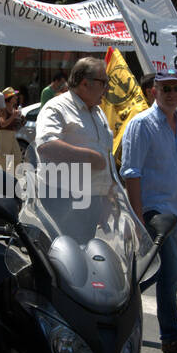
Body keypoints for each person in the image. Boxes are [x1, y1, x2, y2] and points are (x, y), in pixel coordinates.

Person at [120, 68, 177, 353]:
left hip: (176, 212)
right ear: (154, 91)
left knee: (153, 275)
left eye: (176, 89)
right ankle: (171, 337)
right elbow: (132, 173)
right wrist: (138, 217)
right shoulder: (141, 124)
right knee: (170, 275)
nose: (171, 94)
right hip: (154, 212)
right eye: (165, 88)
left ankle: (115, 308)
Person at [35, 57, 114, 232]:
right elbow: (46, 146)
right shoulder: (57, 107)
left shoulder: (98, 111)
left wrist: (107, 197)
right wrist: (89, 156)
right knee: (64, 255)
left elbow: (105, 153)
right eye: (104, 83)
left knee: (84, 252)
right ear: (85, 83)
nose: (107, 88)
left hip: (92, 198)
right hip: (62, 197)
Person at [0, 86, 23, 175]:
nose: (16, 97)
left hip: (11, 135)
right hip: (3, 135)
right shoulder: (3, 109)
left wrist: (20, 120)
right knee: (3, 160)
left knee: (17, 157)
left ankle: (12, 177)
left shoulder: (13, 109)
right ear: (9, 98)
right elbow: (2, 124)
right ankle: (3, 181)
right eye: (14, 96)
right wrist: (13, 116)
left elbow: (14, 124)